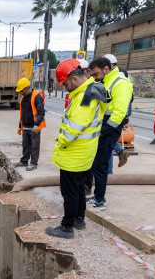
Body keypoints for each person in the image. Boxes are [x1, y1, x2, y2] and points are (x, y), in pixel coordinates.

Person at [45, 58, 108, 239]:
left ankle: (67, 227)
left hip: (74, 154)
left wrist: (61, 142)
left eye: (65, 84)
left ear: (74, 79)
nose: (64, 88)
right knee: (79, 188)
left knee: (70, 192)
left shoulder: (84, 98)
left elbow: (73, 131)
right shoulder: (89, 92)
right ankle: (79, 219)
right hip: (84, 153)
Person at [85, 56, 133, 210]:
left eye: (96, 74)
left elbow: (119, 112)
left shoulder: (121, 83)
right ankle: (98, 196)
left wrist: (104, 130)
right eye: (92, 75)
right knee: (97, 162)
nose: (94, 78)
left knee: (101, 164)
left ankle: (99, 200)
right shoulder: (106, 80)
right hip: (104, 125)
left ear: (106, 69)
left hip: (111, 127)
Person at [14, 77, 46, 171]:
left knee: (34, 145)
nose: (20, 93)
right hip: (26, 126)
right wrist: (20, 126)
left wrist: (37, 124)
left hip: (34, 126)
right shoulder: (24, 98)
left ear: (26, 88)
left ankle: (33, 163)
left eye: (21, 90)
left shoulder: (36, 96)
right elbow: (23, 113)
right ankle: (24, 161)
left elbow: (41, 112)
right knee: (25, 145)